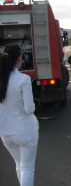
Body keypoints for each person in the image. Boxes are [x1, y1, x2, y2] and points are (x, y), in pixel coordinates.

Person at [0, 44, 39, 186]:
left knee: (19, 165)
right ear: (18, 59)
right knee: (27, 169)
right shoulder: (24, 79)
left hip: (5, 133)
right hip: (24, 131)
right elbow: (29, 109)